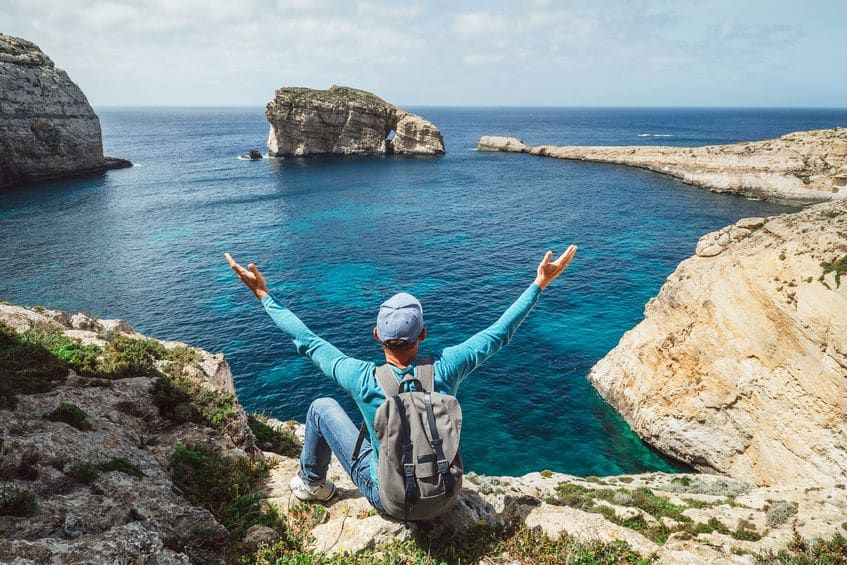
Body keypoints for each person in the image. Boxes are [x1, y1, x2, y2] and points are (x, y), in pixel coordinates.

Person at [224, 245, 577, 513]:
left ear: (376, 335)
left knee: (321, 407)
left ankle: (313, 485)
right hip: (444, 497)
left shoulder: (362, 378)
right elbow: (499, 333)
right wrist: (539, 284)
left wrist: (262, 295)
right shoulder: (448, 366)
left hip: (390, 501)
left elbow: (308, 341)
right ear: (423, 334)